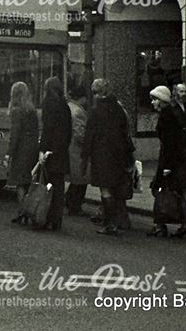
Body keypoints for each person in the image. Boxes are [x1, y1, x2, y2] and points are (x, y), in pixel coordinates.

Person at [82, 79, 134, 236]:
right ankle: (119, 220)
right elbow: (125, 133)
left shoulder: (96, 111)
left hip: (102, 155)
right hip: (119, 155)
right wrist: (129, 155)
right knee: (117, 187)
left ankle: (110, 222)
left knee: (105, 189)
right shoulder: (118, 109)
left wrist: (85, 157)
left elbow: (89, 136)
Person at [148, 85, 186, 239]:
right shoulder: (175, 114)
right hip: (180, 160)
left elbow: (169, 142)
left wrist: (166, 167)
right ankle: (185, 225)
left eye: (155, 99)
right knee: (179, 193)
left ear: (161, 100)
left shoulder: (166, 117)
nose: (153, 103)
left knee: (160, 191)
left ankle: (160, 225)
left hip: (170, 160)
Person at [39, 76, 72, 231]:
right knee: (58, 187)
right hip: (61, 150)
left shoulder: (48, 104)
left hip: (50, 150)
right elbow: (68, 130)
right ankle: (56, 219)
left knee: (47, 185)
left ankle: (46, 217)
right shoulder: (64, 105)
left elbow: (47, 129)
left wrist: (43, 149)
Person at [6, 81, 39, 226]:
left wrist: (9, 152)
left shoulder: (16, 110)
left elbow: (15, 134)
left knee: (20, 183)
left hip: (21, 150)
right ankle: (28, 212)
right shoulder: (32, 110)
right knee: (28, 182)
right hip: (32, 149)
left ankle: (22, 212)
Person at [65, 87, 89, 216]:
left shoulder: (68, 107)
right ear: (82, 98)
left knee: (76, 179)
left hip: (70, 147)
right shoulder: (78, 112)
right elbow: (80, 133)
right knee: (80, 179)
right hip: (77, 150)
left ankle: (70, 201)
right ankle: (75, 205)